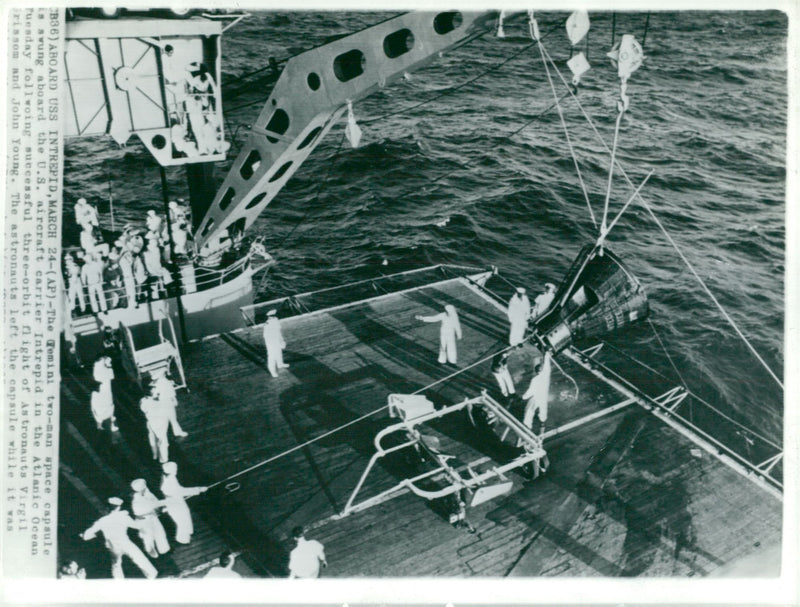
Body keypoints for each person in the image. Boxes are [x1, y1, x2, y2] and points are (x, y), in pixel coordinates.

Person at [81, 496, 158, 579]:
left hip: (112, 545)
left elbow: (87, 535)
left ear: (108, 508)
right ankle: (151, 574)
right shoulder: (123, 517)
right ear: (118, 507)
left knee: (116, 565)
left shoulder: (102, 520)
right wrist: (146, 519)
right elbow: (137, 526)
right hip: (124, 542)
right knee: (139, 557)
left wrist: (88, 536)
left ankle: (119, 582)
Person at [160, 461, 207, 544]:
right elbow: (181, 491)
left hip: (177, 501)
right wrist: (198, 489)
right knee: (182, 521)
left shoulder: (169, 477)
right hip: (175, 504)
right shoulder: (168, 482)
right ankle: (183, 539)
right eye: (175, 468)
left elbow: (179, 489)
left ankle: (188, 533)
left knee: (185, 518)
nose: (176, 470)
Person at [130, 478, 170, 559]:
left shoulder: (146, 493)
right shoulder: (138, 499)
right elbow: (155, 504)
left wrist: (162, 508)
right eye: (144, 486)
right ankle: (150, 550)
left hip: (152, 517)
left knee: (160, 534)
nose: (145, 487)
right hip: (143, 521)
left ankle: (164, 551)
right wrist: (169, 501)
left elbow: (155, 501)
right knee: (148, 538)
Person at [522, 351, 552, 434]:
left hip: (536, 397)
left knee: (529, 411)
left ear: (536, 371)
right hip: (543, 396)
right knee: (543, 409)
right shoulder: (546, 376)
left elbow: (530, 391)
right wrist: (547, 356)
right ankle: (542, 421)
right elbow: (547, 366)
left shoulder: (535, 380)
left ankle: (527, 425)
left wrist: (524, 397)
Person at [151, 368, 187, 438]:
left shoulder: (158, 383)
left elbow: (155, 395)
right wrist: (174, 399)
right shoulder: (165, 382)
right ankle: (177, 432)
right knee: (172, 418)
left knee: (169, 418)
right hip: (167, 402)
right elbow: (171, 392)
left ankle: (174, 432)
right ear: (162, 375)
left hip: (163, 402)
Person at [140, 388, 171, 463]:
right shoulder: (156, 402)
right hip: (158, 423)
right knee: (162, 441)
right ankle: (164, 459)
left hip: (150, 422)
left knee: (152, 438)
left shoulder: (143, 400)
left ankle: (155, 454)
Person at [263, 309, 289, 378]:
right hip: (270, 341)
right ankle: (272, 371)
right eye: (271, 316)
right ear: (269, 317)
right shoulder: (267, 324)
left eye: (273, 316)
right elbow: (266, 335)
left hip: (276, 339)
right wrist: (271, 343)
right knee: (272, 356)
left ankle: (280, 364)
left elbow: (278, 331)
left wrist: (281, 340)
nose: (272, 317)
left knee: (279, 352)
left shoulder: (276, 320)